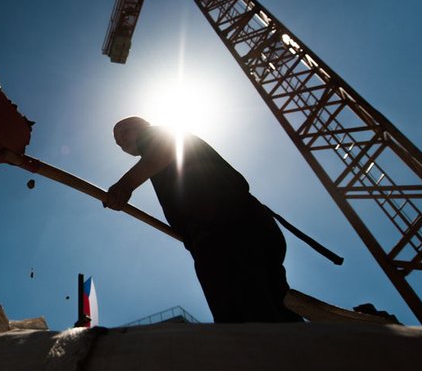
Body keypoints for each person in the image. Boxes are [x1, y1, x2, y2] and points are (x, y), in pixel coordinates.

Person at [104, 116, 302, 323]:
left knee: (244, 318)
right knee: (275, 307)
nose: (120, 140)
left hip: (226, 230)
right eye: (117, 140)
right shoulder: (164, 148)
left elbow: (163, 151)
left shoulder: (154, 136)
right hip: (244, 225)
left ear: (143, 126)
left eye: (124, 130)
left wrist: (124, 186)